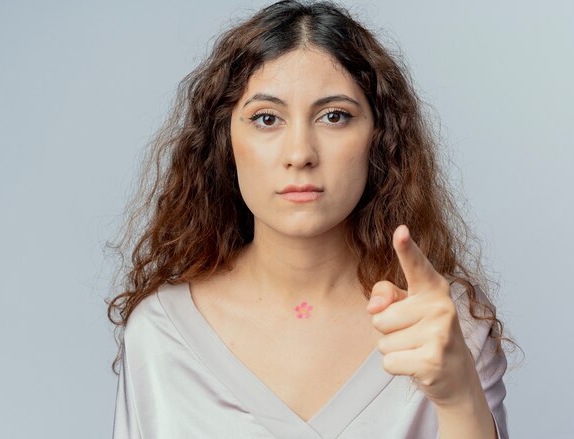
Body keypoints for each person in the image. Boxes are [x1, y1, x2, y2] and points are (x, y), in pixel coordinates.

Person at [107, 1, 514, 438]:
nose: (300, 153)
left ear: (379, 138)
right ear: (224, 140)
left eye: (334, 116)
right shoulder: (161, 333)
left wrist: (458, 395)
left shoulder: (443, 326)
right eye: (266, 118)